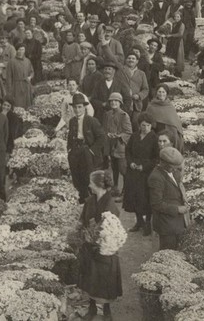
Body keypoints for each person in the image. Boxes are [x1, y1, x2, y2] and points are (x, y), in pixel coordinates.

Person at [78, 170, 123, 321]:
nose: (89, 185)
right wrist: (82, 230)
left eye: (91, 182)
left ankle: (107, 311)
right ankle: (91, 307)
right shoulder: (90, 200)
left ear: (98, 185)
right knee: (90, 276)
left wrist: (98, 238)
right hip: (90, 246)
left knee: (104, 278)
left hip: (104, 248)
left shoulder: (110, 204)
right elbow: (83, 219)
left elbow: (111, 228)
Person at [148, 146, 190, 251]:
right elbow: (156, 204)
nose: (175, 169)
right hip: (167, 226)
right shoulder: (156, 177)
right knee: (169, 253)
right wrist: (178, 209)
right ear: (163, 163)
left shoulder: (171, 172)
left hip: (175, 223)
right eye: (172, 166)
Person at [123, 113, 158, 236]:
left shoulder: (154, 138)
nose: (146, 128)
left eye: (148, 125)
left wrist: (144, 166)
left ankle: (147, 223)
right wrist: (131, 163)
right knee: (134, 197)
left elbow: (156, 158)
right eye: (143, 125)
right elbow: (127, 151)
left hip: (146, 173)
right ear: (139, 125)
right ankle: (139, 221)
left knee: (145, 198)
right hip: (133, 172)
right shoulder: (134, 136)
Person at [67, 93, 105, 203]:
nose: (77, 110)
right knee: (76, 178)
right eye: (75, 107)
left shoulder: (91, 121)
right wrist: (69, 150)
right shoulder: (72, 121)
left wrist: (92, 151)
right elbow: (70, 137)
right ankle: (82, 203)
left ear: (84, 107)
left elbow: (102, 137)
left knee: (88, 179)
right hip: (75, 151)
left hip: (87, 151)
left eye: (79, 107)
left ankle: (93, 205)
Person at [102, 93, 132, 199]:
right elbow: (105, 129)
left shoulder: (124, 115)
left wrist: (118, 136)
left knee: (123, 170)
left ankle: (126, 192)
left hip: (120, 147)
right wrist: (107, 134)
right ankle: (115, 189)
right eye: (111, 101)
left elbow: (128, 132)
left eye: (116, 101)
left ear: (120, 103)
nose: (113, 103)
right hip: (111, 146)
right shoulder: (108, 114)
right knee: (113, 168)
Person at [144, 84, 184, 152]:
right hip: (156, 132)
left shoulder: (170, 106)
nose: (161, 94)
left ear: (166, 93)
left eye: (163, 92)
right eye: (159, 92)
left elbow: (175, 122)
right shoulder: (151, 106)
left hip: (170, 134)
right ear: (156, 93)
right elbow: (147, 121)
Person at [5, 43, 34, 108]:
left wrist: (30, 77)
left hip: (26, 85)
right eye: (19, 50)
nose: (21, 51)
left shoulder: (27, 61)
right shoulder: (11, 62)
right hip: (16, 87)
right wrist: (9, 91)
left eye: (22, 50)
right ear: (16, 50)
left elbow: (31, 72)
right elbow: (9, 78)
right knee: (18, 105)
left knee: (28, 105)